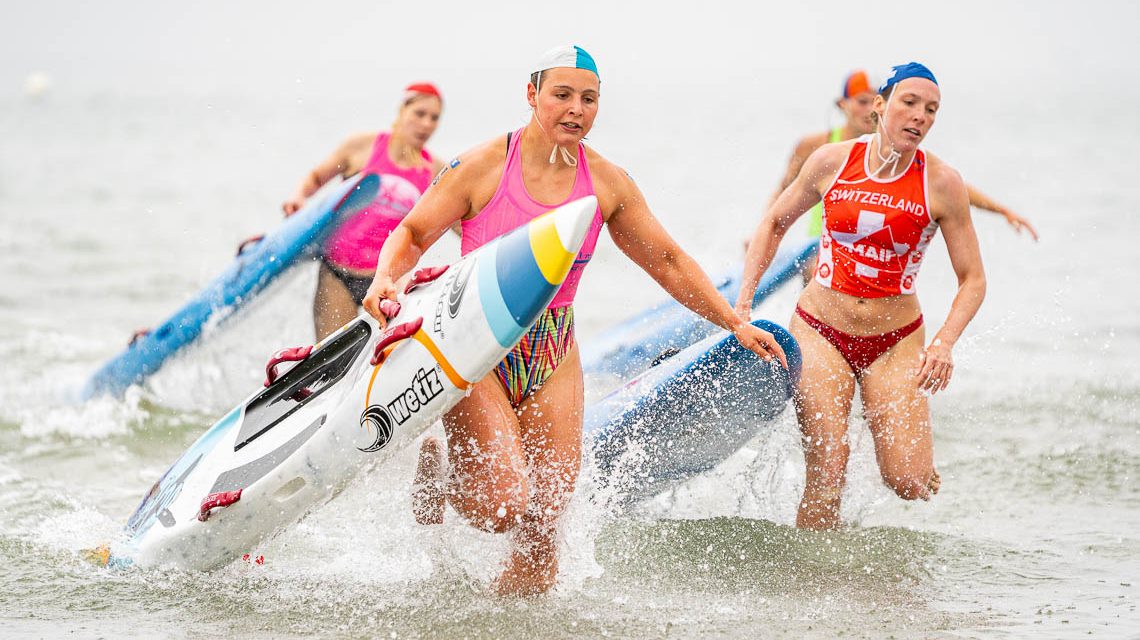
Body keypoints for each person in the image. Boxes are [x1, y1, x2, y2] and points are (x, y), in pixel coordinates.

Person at [362, 45, 787, 595]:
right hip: (475, 342)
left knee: (545, 520)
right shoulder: (484, 166)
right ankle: (442, 473)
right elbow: (414, 233)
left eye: (589, 99)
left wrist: (733, 322)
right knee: (498, 508)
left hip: (553, 347)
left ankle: (514, 625)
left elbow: (668, 260)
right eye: (562, 95)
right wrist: (384, 279)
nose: (576, 109)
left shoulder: (607, 182)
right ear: (532, 93)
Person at [735, 62, 986, 530]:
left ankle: (898, 447)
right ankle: (815, 584)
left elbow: (972, 279)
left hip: (896, 341)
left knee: (909, 482)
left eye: (931, 110)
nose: (920, 117)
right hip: (820, 330)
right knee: (828, 471)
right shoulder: (832, 161)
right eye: (909, 103)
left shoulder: (942, 183)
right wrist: (743, 307)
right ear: (880, 106)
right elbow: (773, 222)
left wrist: (944, 344)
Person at [772, 70, 1037, 281]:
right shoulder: (816, 147)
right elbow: (785, 190)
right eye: (860, 102)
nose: (866, 111)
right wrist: (762, 230)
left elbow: (943, 187)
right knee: (815, 274)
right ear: (843, 104)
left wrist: (1002, 210)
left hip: (868, 248)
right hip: (818, 244)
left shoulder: (891, 148)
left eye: (870, 102)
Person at [282, 83, 445, 339]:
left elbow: (462, 220)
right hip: (338, 275)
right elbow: (316, 177)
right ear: (403, 110)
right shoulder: (362, 147)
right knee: (331, 365)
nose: (427, 124)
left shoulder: (434, 170)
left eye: (434, 118)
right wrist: (298, 197)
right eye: (420, 113)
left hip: (389, 282)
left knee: (391, 359)